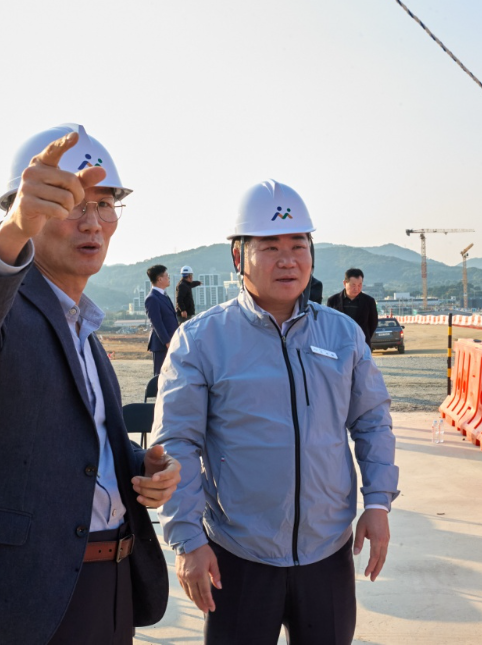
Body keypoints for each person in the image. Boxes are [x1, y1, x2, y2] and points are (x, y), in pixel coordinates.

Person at [0, 124, 181, 644]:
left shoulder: (84, 328)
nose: (91, 222)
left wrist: (141, 470)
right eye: (70, 203)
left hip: (106, 582)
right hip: (17, 595)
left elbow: (67, 447)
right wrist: (11, 232)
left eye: (104, 204)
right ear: (26, 209)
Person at [151, 180, 399, 644]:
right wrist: (188, 539)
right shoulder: (202, 339)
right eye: (269, 247)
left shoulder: (342, 335)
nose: (288, 259)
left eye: (298, 245)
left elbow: (372, 422)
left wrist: (379, 502)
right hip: (238, 556)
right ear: (238, 255)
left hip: (327, 552)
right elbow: (177, 443)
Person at [327, 268, 379, 347]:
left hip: (362, 344)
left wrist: (364, 336)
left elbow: (373, 324)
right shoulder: (333, 301)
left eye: (360, 285)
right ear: (345, 283)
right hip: (339, 344)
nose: (357, 288)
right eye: (353, 285)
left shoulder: (369, 301)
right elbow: (329, 324)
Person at [145, 264, 179, 375]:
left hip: (171, 341)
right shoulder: (152, 298)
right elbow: (157, 323)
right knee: (160, 376)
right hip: (162, 345)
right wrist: (167, 342)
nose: (168, 278)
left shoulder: (164, 295)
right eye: (166, 276)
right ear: (160, 279)